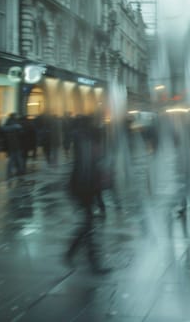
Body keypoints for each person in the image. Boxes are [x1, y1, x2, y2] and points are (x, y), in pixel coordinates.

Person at [64, 115, 110, 274]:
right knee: (88, 225)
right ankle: (90, 261)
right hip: (82, 187)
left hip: (84, 187)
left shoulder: (85, 140)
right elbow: (85, 168)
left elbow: (92, 165)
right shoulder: (85, 142)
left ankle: (72, 253)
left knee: (88, 224)